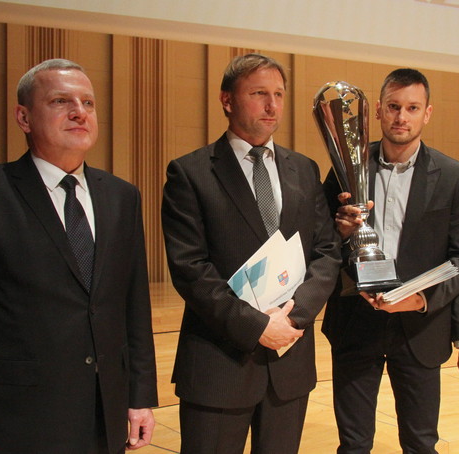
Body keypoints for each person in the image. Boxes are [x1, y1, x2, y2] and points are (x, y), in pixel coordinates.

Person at [0, 58, 158, 454]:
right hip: (20, 421)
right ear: (24, 117)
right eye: (60, 101)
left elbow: (133, 306)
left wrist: (140, 396)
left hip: (105, 416)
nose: (79, 112)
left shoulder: (122, 196)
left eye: (88, 102)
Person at [161, 53, 341, 454]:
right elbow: (190, 268)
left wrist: (292, 317)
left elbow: (327, 253)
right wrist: (256, 325)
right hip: (220, 363)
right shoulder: (189, 173)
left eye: (278, 94)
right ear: (227, 100)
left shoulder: (305, 169)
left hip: (289, 360)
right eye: (259, 93)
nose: (272, 105)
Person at [323, 68, 459, 453]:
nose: (401, 117)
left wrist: (422, 298)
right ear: (378, 110)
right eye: (394, 106)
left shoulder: (453, 175)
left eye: (412, 108)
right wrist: (339, 232)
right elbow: (320, 242)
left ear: (427, 113)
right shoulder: (346, 167)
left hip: (420, 328)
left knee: (421, 443)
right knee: (353, 445)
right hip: (355, 322)